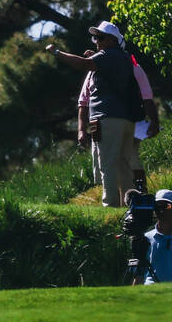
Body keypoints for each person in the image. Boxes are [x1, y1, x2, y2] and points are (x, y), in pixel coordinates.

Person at [46, 21, 145, 207]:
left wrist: (56, 53)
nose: (96, 41)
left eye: (99, 37)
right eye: (95, 37)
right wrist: (97, 57)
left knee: (107, 164)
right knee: (124, 165)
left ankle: (110, 204)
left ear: (111, 40)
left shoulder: (107, 55)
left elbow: (83, 64)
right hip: (127, 119)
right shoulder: (124, 58)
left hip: (108, 117)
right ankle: (130, 204)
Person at [77, 48, 159, 193]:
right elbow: (83, 102)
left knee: (130, 158)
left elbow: (147, 97)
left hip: (131, 121)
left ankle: (139, 194)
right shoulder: (93, 72)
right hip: (101, 123)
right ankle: (120, 202)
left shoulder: (133, 67)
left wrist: (154, 121)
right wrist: (81, 130)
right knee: (104, 164)